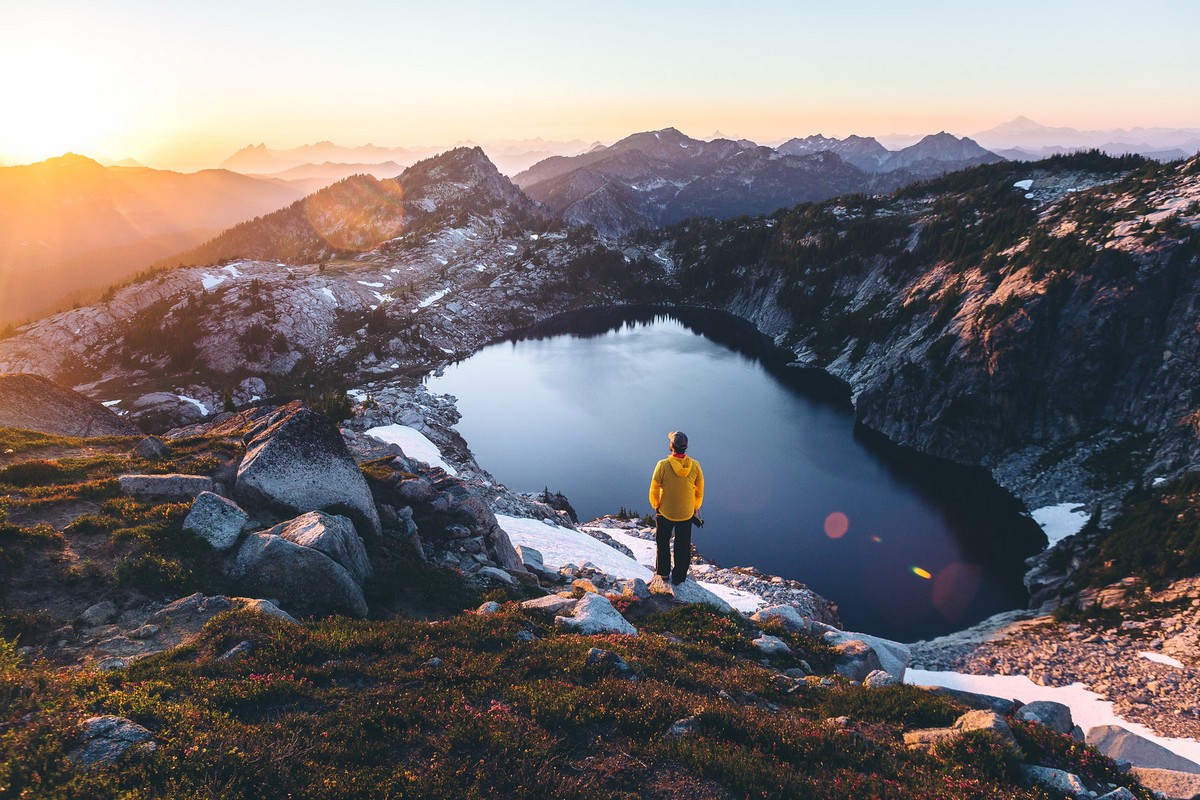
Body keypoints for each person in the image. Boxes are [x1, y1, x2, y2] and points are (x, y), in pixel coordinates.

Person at [648, 430, 704, 586]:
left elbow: (654, 488)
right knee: (683, 545)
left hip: (666, 511)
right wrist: (694, 507)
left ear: (671, 445)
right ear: (685, 447)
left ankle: (664, 573)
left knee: (663, 542)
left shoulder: (663, 465)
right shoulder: (695, 465)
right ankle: (679, 577)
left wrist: (656, 505)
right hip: (686, 513)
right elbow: (699, 489)